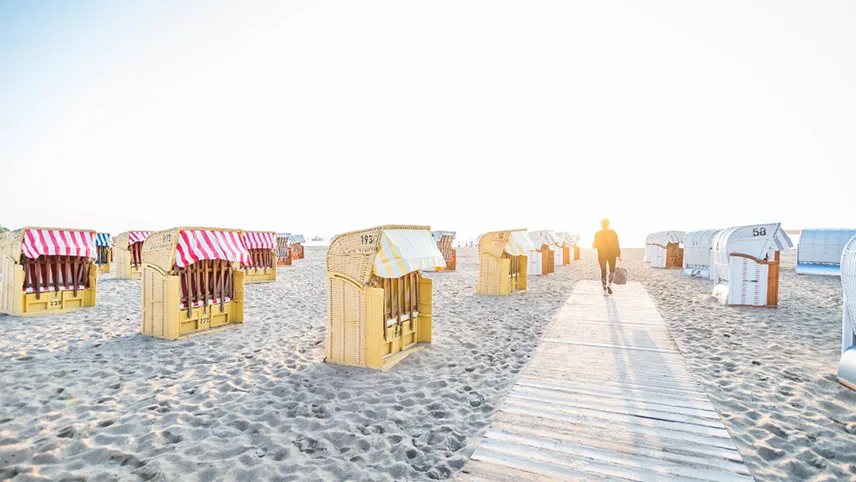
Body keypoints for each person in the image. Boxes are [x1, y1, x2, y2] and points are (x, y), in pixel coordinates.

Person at [592, 218, 621, 294]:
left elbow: (594, 245)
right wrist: (619, 255)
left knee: (603, 271)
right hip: (612, 254)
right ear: (608, 224)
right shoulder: (613, 233)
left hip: (602, 254)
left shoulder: (598, 233)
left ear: (601, 224)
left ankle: (604, 289)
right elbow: (616, 244)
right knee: (612, 271)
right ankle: (609, 285)